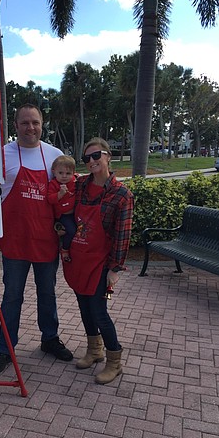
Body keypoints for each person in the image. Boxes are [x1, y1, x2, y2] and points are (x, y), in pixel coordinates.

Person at [0, 103, 73, 375]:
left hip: (45, 239)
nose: (30, 127)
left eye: (35, 122)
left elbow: (67, 195)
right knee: (12, 297)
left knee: (47, 294)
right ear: (16, 125)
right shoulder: (2, 155)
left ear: (42, 124)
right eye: (25, 122)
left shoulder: (55, 155)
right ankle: (4, 349)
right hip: (15, 240)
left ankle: (50, 339)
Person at [62, 137, 134, 385]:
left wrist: (115, 269)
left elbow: (123, 236)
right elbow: (59, 198)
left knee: (99, 312)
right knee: (84, 309)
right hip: (78, 260)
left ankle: (114, 362)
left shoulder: (122, 194)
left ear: (108, 156)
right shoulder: (80, 185)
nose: (91, 161)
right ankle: (94, 351)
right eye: (86, 158)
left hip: (100, 264)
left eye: (96, 155)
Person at [47, 155, 77, 262]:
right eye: (60, 173)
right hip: (64, 215)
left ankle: (60, 229)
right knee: (72, 231)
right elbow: (50, 199)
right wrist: (60, 194)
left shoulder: (75, 182)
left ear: (73, 172)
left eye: (68, 173)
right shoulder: (53, 184)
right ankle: (64, 249)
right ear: (54, 172)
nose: (64, 176)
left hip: (75, 213)